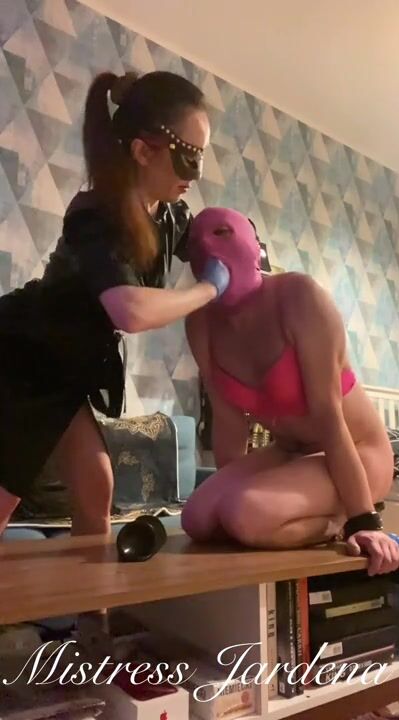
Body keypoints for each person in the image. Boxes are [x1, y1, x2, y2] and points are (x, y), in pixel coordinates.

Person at [0, 71, 230, 538]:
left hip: (66, 368)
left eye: (201, 157)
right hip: (20, 359)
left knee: (95, 486)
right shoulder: (95, 213)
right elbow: (129, 310)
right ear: (143, 151)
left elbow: (224, 245)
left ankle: (93, 591)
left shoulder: (170, 216)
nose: (196, 174)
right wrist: (209, 289)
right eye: (188, 157)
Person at [181, 206, 399, 577]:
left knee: (247, 513)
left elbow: (329, 418)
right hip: (289, 453)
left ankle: (336, 520)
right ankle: (264, 515)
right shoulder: (200, 323)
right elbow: (228, 421)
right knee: (198, 518)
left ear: (254, 246)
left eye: (221, 232)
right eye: (194, 242)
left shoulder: (299, 297)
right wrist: (227, 502)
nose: (205, 245)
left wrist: (363, 520)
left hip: (357, 451)